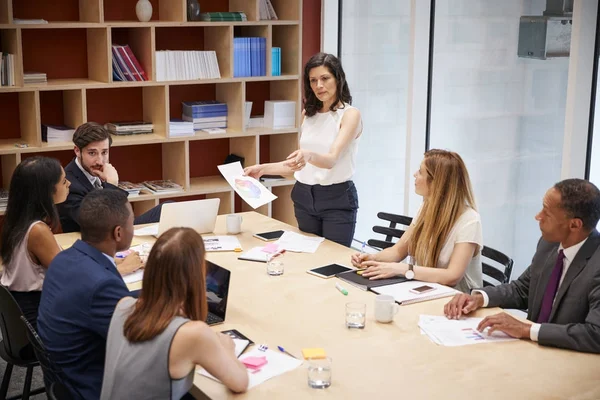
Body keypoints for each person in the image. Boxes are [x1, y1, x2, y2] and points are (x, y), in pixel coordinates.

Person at [444, 179, 600, 354]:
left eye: (547, 213)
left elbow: (596, 334)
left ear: (574, 224)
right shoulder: (549, 245)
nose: (538, 216)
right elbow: (523, 289)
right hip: (531, 351)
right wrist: (479, 298)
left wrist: (527, 329)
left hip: (570, 361)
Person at [101, 228, 248, 399]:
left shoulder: (123, 306)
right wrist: (228, 349)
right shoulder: (194, 333)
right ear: (197, 275)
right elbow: (239, 382)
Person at [244, 52, 362, 247]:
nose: (319, 86)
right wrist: (263, 169)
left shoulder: (350, 115)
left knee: (334, 260)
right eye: (313, 80)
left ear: (338, 78)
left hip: (337, 199)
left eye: (325, 78)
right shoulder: (308, 114)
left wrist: (308, 155)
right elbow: (297, 164)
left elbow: (331, 160)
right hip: (303, 196)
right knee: (307, 259)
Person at [38, 190, 138, 400]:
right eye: (132, 223)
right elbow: (139, 344)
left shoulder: (64, 259)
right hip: (92, 387)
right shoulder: (102, 285)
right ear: (118, 233)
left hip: (64, 377)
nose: (134, 229)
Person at [351, 149, 483, 293]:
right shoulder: (426, 208)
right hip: (427, 290)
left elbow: (452, 276)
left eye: (420, 172)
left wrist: (404, 269)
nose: (414, 175)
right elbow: (398, 251)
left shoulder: (470, 221)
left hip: (457, 300)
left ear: (436, 182)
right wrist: (372, 258)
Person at [58, 121, 163, 233]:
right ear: (77, 151)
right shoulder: (69, 184)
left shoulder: (98, 170)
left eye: (104, 153)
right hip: (97, 238)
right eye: (92, 153)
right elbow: (97, 223)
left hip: (116, 230)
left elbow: (122, 212)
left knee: (167, 208)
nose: (100, 161)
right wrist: (112, 185)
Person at [0, 157, 69, 328]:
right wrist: (114, 266)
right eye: (64, 181)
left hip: (20, 319)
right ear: (47, 191)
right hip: (37, 323)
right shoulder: (37, 231)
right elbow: (69, 274)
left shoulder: (17, 222)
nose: (69, 184)